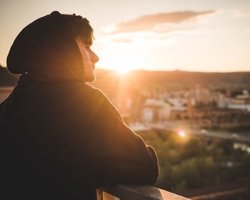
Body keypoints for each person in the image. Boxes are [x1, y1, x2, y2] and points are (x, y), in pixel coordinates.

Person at [0, 11, 159, 200]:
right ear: (63, 49)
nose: (96, 57)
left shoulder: (7, 108)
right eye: (86, 46)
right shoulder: (86, 103)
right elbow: (144, 167)